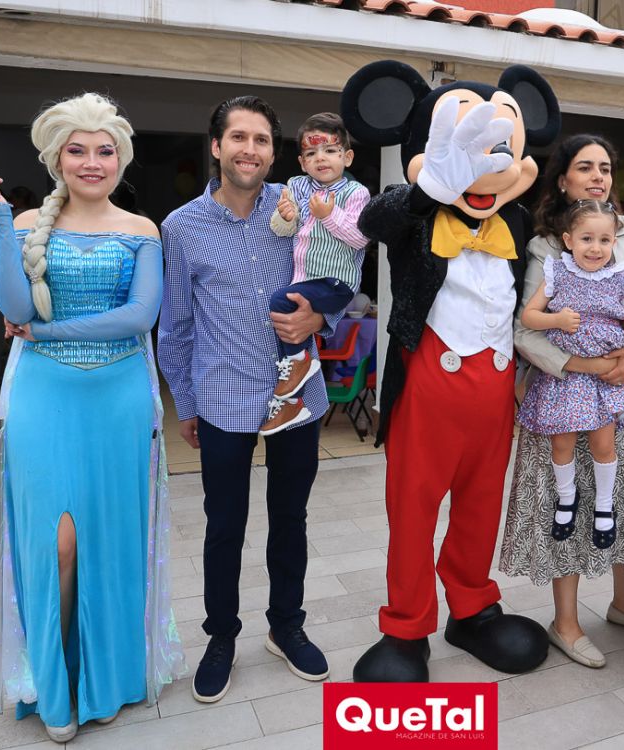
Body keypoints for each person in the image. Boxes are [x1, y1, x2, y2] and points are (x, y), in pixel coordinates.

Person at [0, 92, 185, 743]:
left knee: (114, 541)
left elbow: (140, 316)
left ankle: (108, 680)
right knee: (55, 542)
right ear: (57, 159)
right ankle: (55, 686)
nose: (92, 162)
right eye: (78, 150)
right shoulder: (27, 222)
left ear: (121, 159)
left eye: (104, 150)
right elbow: (12, 306)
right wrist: (0, 221)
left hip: (119, 399)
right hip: (42, 398)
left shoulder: (142, 230)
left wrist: (46, 330)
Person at [340, 61, 561, 683]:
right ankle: (406, 625)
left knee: (481, 503)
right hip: (428, 383)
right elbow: (372, 221)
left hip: (495, 389)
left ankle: (472, 607)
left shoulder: (515, 222)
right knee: (413, 508)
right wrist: (432, 186)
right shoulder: (413, 215)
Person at [159, 95, 348, 705]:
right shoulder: (181, 226)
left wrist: (321, 318)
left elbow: (344, 274)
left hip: (295, 390)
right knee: (224, 525)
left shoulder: (302, 206)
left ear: (273, 151)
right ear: (217, 146)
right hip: (222, 394)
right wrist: (187, 403)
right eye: (238, 137)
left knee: (290, 518)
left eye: (261, 139)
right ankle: (221, 637)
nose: (249, 149)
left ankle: (285, 626)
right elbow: (176, 323)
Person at [500, 134, 624, 671]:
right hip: (569, 391)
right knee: (570, 502)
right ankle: (566, 622)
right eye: (584, 167)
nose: (598, 176)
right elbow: (524, 330)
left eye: (605, 167)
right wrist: (588, 365)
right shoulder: (546, 246)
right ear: (562, 180)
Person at [517, 200, 624, 553]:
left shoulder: (621, 278)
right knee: (561, 444)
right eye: (587, 239)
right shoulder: (557, 273)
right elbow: (528, 317)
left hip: (603, 379)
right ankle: (566, 498)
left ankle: (604, 505)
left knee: (603, 445)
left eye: (604, 240)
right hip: (565, 376)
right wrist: (556, 320)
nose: (595, 248)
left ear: (614, 242)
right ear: (569, 240)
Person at [262, 112, 369, 434]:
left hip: (336, 282)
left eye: (331, 150)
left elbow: (359, 238)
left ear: (347, 157)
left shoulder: (355, 193)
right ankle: (293, 395)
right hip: (306, 280)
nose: (321, 158)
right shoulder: (296, 186)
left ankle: (299, 363)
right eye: (311, 153)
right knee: (286, 320)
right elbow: (282, 230)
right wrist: (284, 216)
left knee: (280, 301)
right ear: (302, 162)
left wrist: (328, 215)